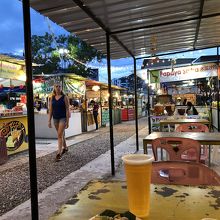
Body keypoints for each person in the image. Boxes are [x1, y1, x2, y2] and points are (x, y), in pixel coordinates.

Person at [48, 83, 70, 162]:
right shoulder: (52, 98)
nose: (58, 88)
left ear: (61, 88)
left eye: (59, 86)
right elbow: (50, 110)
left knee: (59, 135)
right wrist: (49, 121)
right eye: (56, 86)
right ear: (54, 88)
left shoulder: (65, 97)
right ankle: (65, 147)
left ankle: (59, 153)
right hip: (55, 118)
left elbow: (67, 109)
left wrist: (68, 121)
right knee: (61, 134)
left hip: (63, 118)